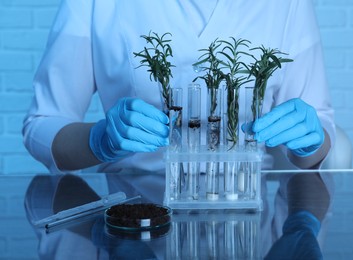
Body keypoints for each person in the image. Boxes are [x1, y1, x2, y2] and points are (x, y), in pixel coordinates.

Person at [22, 0, 335, 255]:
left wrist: (310, 141)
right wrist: (98, 139)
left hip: (249, 217)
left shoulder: (288, 5)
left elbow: (318, 136)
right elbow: (42, 125)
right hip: (135, 218)